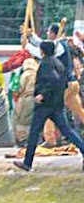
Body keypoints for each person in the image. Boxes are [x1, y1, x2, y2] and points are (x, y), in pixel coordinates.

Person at [14, 42, 84, 172]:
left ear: (42, 51)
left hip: (45, 105)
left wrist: (42, 94)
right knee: (67, 131)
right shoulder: (59, 64)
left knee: (34, 132)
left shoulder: (46, 64)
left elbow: (53, 80)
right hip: (57, 104)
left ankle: (27, 163)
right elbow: (61, 82)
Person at [13, 58, 39, 146]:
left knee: (22, 120)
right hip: (36, 98)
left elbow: (20, 87)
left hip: (25, 98)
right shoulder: (38, 73)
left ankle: (23, 139)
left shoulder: (25, 74)